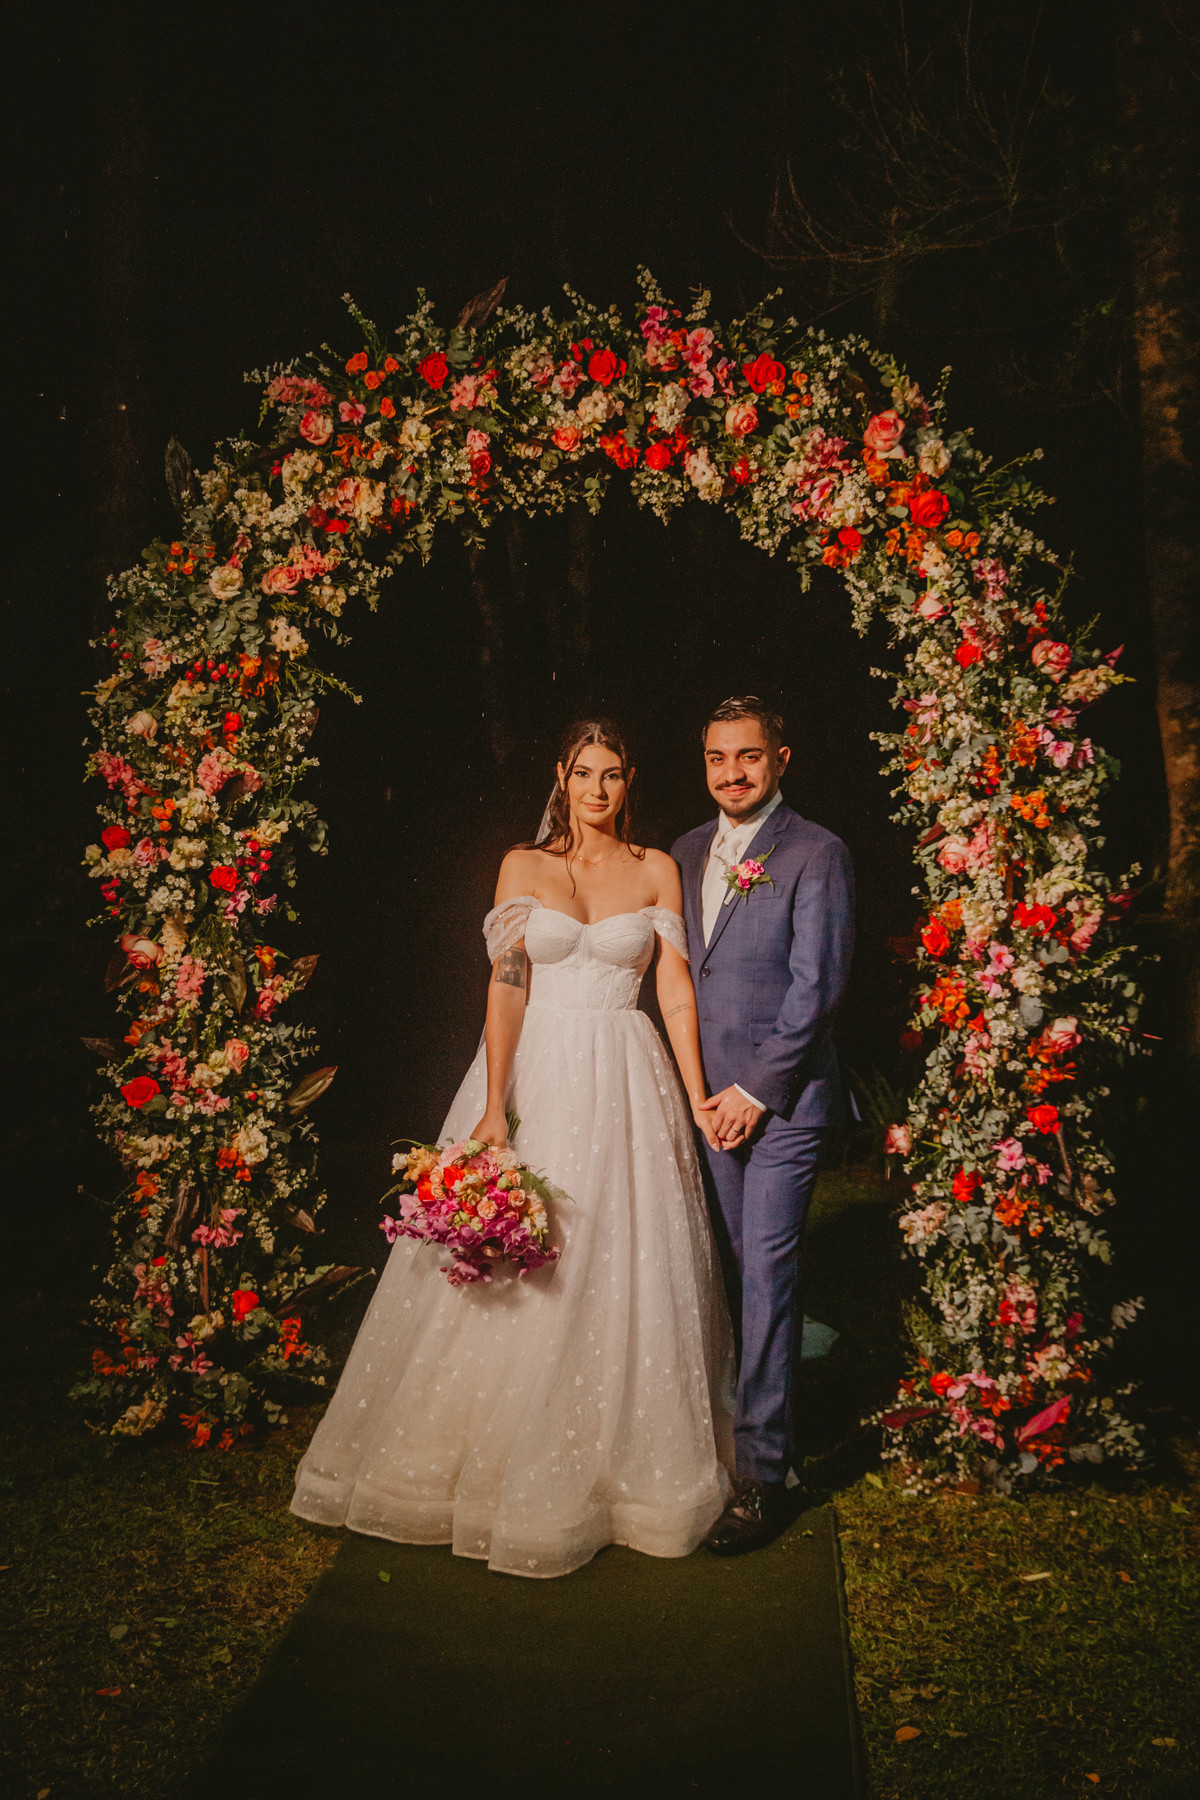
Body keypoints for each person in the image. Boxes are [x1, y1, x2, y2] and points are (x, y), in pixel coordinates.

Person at [291, 720, 733, 1579]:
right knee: (522, 1257)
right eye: (583, 773)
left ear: (629, 781)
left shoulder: (655, 868)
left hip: (627, 1070)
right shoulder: (522, 865)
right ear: (561, 778)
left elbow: (674, 988)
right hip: (540, 1067)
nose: (596, 789)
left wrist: (694, 1090)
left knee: (621, 1256)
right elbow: (506, 983)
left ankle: (613, 1471)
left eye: (611, 775)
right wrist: (495, 1105)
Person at [672, 696, 855, 1554]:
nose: (732, 773)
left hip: (782, 1104)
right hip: (706, 1103)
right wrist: (699, 1092)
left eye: (748, 756)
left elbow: (818, 988)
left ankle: (762, 1476)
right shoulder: (683, 853)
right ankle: (725, 1433)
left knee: (769, 1277)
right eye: (718, 757)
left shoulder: (816, 851)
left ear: (781, 759)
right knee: (729, 1270)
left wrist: (754, 1091)